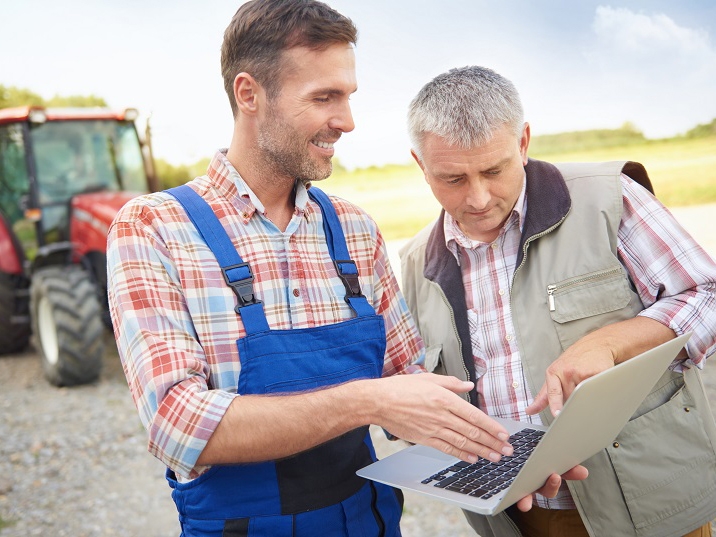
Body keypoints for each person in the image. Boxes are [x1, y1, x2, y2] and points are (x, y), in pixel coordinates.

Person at [106, 4, 581, 536]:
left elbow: (408, 385)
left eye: (348, 96)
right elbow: (178, 426)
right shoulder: (154, 228)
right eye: (324, 97)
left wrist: (506, 452)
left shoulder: (353, 230)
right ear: (249, 94)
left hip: (368, 521)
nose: (347, 121)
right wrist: (366, 400)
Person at [400, 65, 716, 537]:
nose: (480, 197)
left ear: (523, 142)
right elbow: (411, 392)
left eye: (493, 169)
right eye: (452, 179)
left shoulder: (608, 198)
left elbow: (707, 295)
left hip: (651, 506)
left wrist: (613, 341)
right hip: (517, 518)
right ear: (420, 165)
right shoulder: (412, 263)